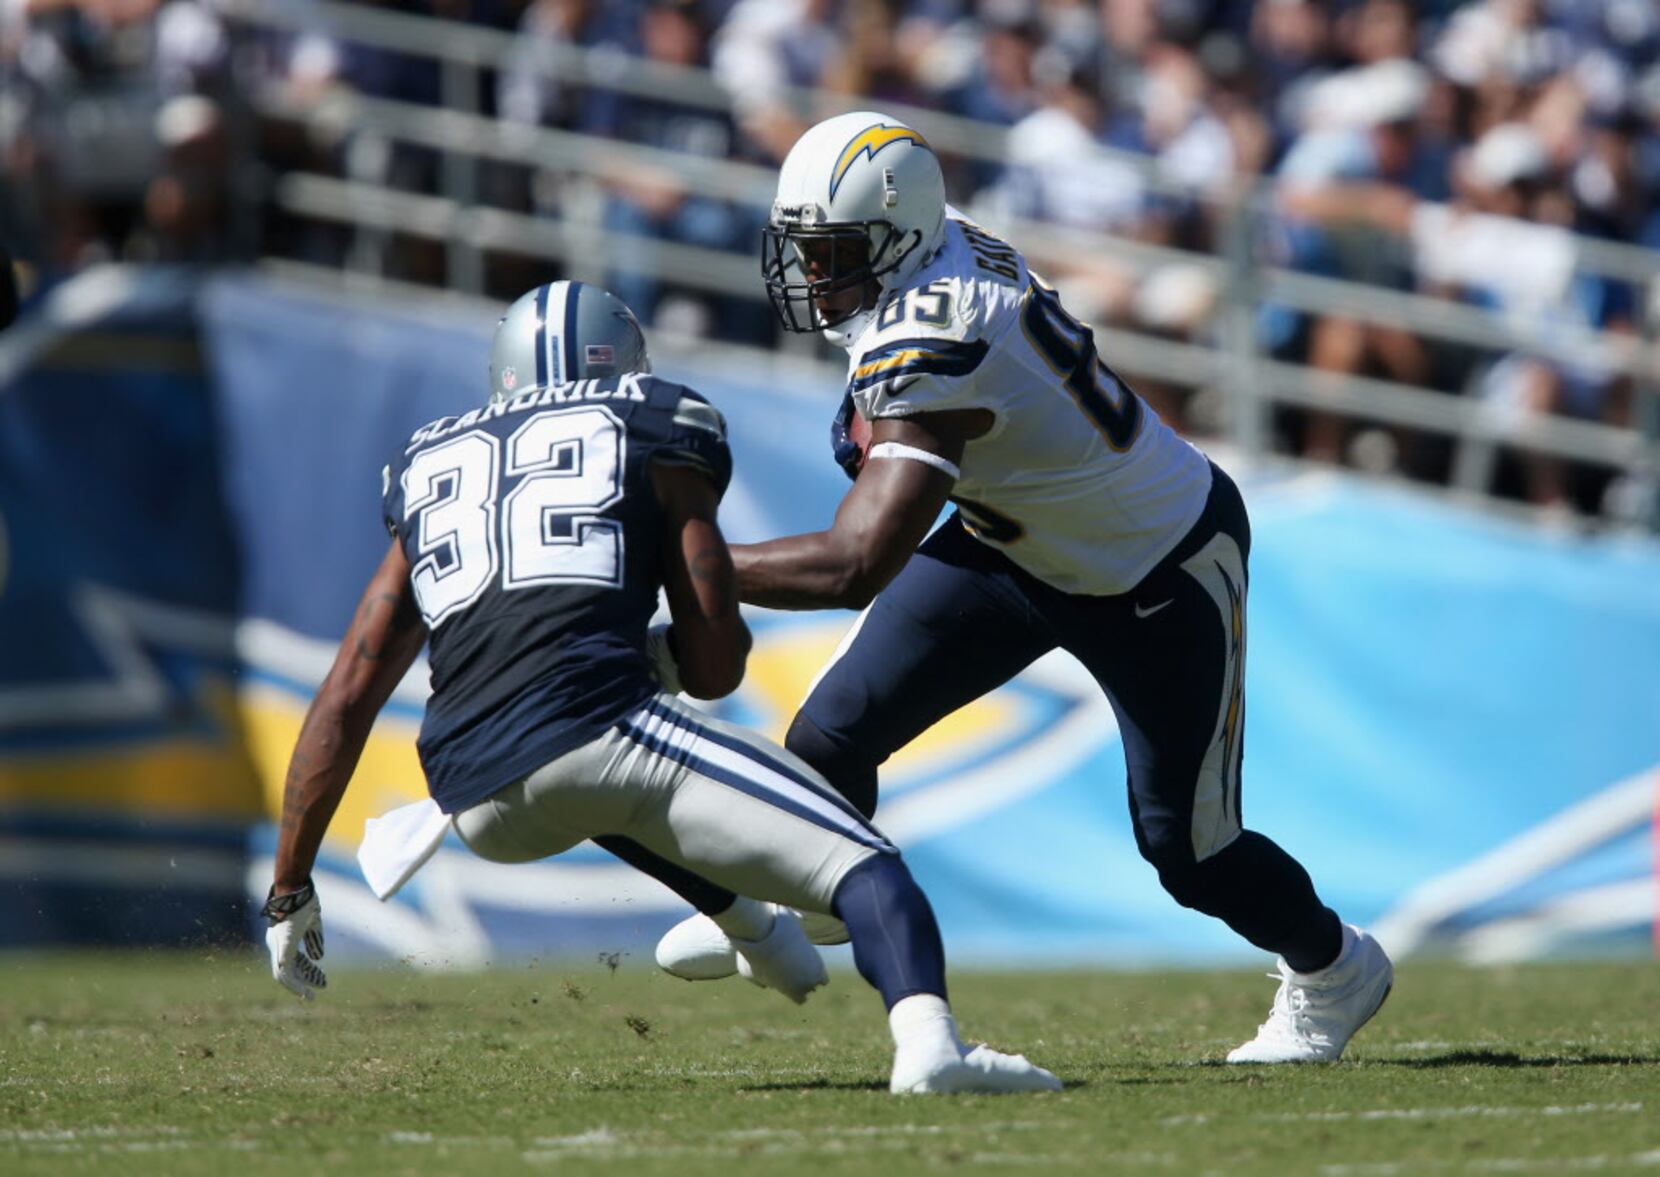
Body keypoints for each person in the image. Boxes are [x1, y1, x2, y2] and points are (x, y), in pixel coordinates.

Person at [654, 112, 1395, 1065]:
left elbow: (855, 563)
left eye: (835, 250)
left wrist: (685, 563)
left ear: (896, 238)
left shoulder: (939, 324)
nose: (813, 273)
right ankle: (804, 897)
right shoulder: (929, 249)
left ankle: (1336, 968)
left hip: (1155, 565)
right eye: (809, 249)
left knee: (1190, 851)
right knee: (832, 731)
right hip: (1018, 539)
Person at [260, 279, 1061, 1097]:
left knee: (600, 782)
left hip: (471, 796)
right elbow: (718, 666)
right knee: (867, 866)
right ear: (624, 364)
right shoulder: (653, 421)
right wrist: (661, 656)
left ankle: (749, 927)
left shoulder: (429, 461)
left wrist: (289, 889)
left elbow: (348, 689)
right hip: (595, 736)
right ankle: (931, 1046)